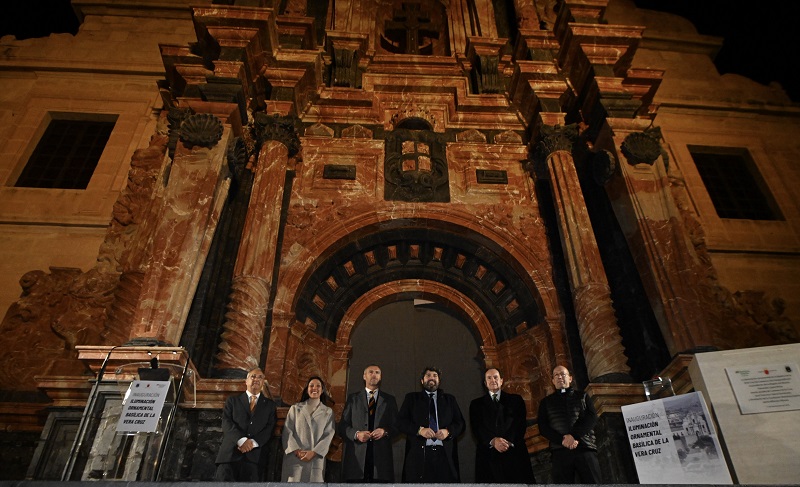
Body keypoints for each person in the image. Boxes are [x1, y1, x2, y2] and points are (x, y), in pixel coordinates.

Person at [397, 366, 465, 483]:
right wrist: (419, 430)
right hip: (419, 457)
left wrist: (448, 431)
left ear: (439, 380)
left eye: (435, 376)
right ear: (422, 381)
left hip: (445, 456)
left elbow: (461, 424)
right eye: (428, 375)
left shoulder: (450, 400)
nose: (431, 378)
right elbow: (400, 422)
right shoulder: (411, 398)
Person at [469, 367, 536, 483]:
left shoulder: (516, 400)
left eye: (495, 377)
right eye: (489, 378)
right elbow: (477, 428)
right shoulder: (476, 405)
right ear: (485, 383)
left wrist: (507, 441)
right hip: (489, 455)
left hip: (514, 453)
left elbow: (519, 424)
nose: (493, 380)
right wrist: (493, 441)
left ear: (501, 380)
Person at [537, 365, 602, 483]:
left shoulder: (583, 396)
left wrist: (574, 436)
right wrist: (562, 440)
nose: (559, 377)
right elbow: (543, 427)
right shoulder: (545, 402)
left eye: (563, 374)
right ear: (552, 380)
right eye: (556, 375)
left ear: (570, 378)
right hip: (560, 451)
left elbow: (591, 418)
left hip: (584, 448)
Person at [215, 367, 278, 481]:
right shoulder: (233, 401)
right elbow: (226, 422)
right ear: (246, 381)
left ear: (263, 382)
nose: (256, 379)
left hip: (254, 459)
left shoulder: (270, 405)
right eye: (253, 376)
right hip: (229, 457)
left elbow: (269, 428)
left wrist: (252, 443)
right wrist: (241, 440)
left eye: (260, 377)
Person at [338, 364, 398, 482]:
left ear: (380, 377)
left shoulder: (389, 400)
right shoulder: (352, 399)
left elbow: (397, 426)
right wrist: (356, 434)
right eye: (371, 372)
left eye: (377, 372)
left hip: (381, 462)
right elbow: (342, 426)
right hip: (356, 462)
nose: (374, 375)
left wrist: (385, 431)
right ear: (364, 376)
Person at [281, 376, 336, 482]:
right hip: (295, 458)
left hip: (315, 459)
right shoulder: (295, 408)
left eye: (318, 386)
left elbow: (328, 435)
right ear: (307, 389)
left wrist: (314, 452)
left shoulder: (328, 412)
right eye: (311, 385)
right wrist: (296, 451)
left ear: (322, 390)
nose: (314, 388)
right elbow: (287, 431)